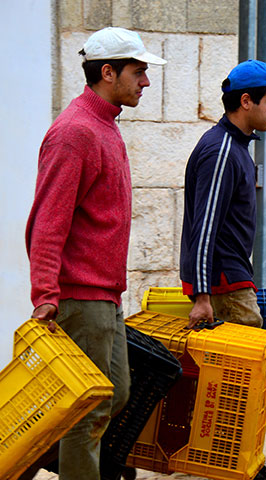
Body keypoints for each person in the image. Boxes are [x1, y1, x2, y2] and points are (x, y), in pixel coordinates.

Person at [25, 27, 166, 480]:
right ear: (108, 73)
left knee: (117, 393)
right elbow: (48, 222)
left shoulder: (103, 125)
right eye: (138, 71)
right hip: (79, 297)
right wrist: (45, 293)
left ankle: (40, 455)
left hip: (103, 296)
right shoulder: (75, 133)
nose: (145, 81)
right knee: (88, 412)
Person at [179, 59, 266, 480]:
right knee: (247, 381)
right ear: (245, 102)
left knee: (241, 381)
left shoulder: (233, 147)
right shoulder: (222, 150)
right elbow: (204, 226)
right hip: (226, 284)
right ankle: (243, 467)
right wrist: (203, 296)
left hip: (229, 279)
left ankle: (239, 463)